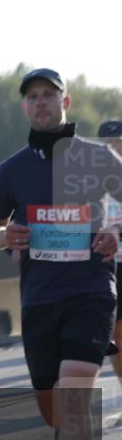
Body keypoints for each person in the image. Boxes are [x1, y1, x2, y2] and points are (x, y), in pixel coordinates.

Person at [0, 68, 121, 440]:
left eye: (49, 95)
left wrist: (114, 233)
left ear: (66, 101)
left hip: (91, 290)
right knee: (54, 408)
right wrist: (5, 237)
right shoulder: (12, 168)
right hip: (40, 296)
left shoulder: (97, 158)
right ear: (25, 107)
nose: (41, 102)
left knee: (76, 388)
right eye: (33, 97)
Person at [97, 119, 122, 390]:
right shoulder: (91, 178)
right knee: (116, 334)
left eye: (119, 142)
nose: (114, 147)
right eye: (109, 144)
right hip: (109, 262)